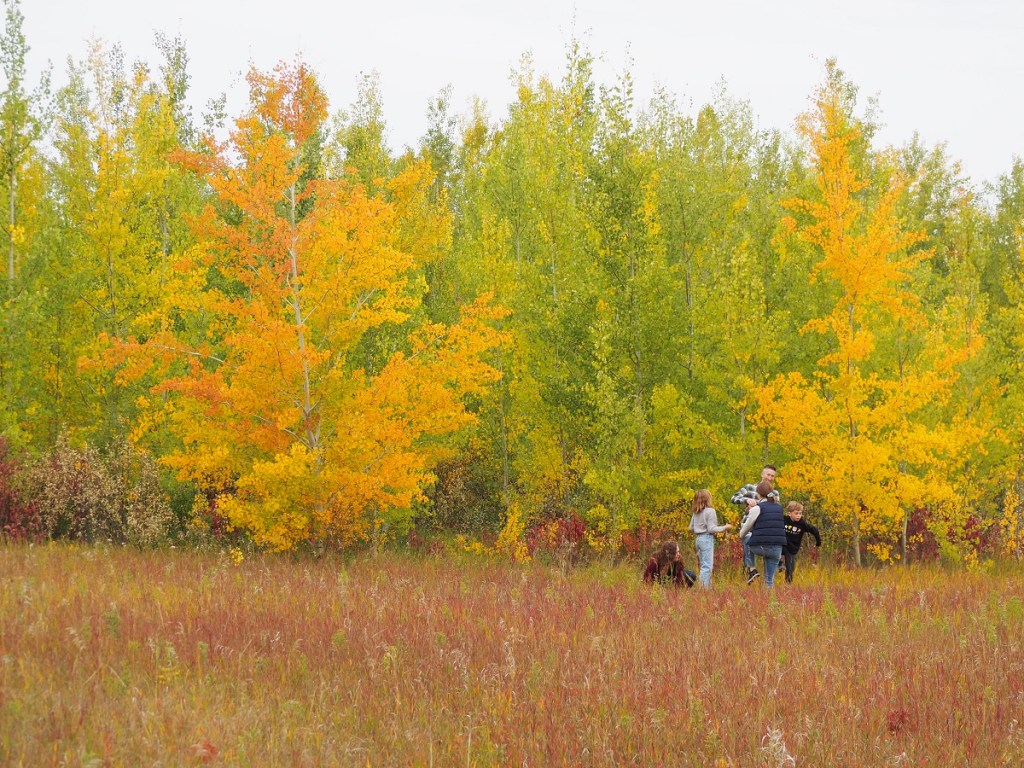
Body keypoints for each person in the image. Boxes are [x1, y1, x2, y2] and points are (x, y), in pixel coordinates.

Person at [731, 465, 780, 584]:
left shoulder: (774, 493)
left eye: (772, 476)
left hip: (765, 529)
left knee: (766, 556)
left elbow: (774, 509)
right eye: (768, 475)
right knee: (747, 545)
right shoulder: (749, 487)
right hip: (749, 526)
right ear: (762, 474)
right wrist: (746, 500)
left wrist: (756, 506)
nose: (770, 478)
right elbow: (734, 498)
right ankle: (751, 572)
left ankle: (760, 578)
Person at [737, 480, 787, 587]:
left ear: (758, 494)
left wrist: (741, 534)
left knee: (746, 537)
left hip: (762, 547)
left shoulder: (757, 508)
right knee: (769, 581)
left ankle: (752, 568)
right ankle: (771, 602)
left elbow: (745, 529)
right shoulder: (779, 508)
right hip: (777, 550)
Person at [688, 489, 734, 587]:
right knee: (707, 567)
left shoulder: (695, 512)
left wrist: (699, 528)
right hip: (706, 539)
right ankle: (703, 589)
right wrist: (725, 527)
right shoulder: (710, 511)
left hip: (698, 539)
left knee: (704, 565)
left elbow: (691, 528)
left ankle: (708, 589)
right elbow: (711, 529)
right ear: (708, 499)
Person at [778, 501, 821, 584]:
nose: (798, 516)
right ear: (789, 513)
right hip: (782, 545)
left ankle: (788, 584)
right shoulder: (783, 520)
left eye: (800, 513)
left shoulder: (802, 524)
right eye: (796, 513)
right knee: (776, 551)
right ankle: (779, 563)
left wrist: (818, 542)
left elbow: (814, 530)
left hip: (792, 548)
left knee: (790, 568)